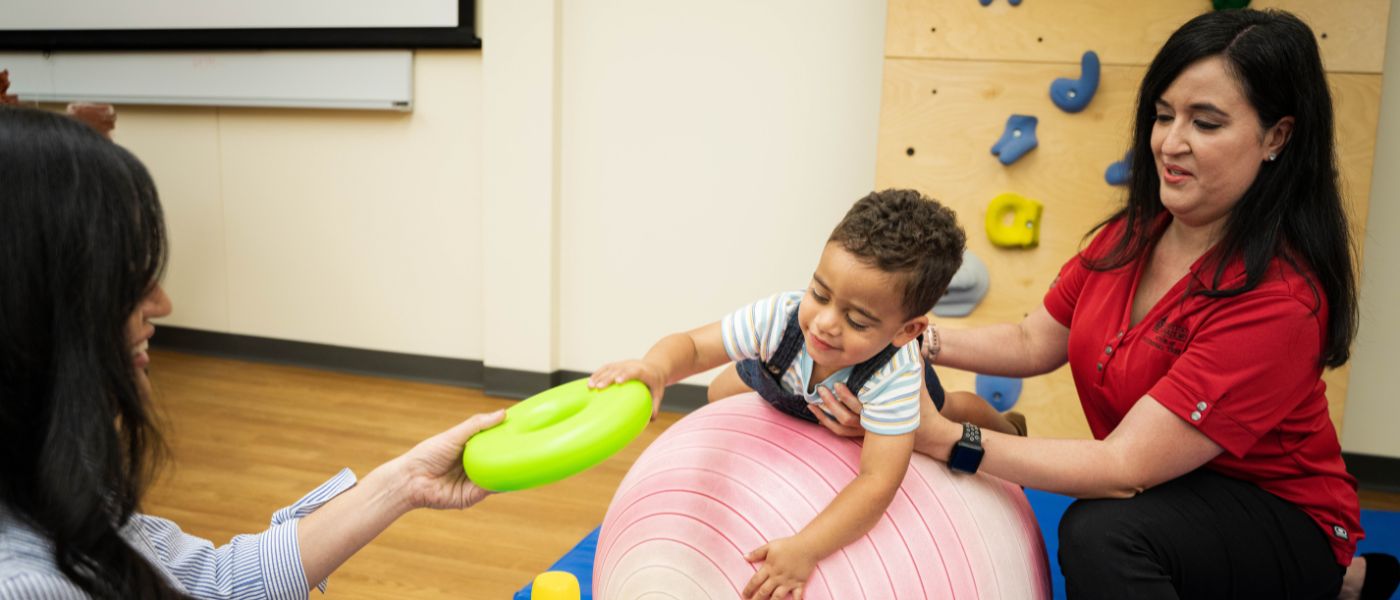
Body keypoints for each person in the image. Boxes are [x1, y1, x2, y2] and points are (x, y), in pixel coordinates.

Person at [807, 9, 1399, 600]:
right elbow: (1032, 341)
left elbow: (1124, 468)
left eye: (1207, 123)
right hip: (1173, 495)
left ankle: (1325, 575)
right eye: (1164, 115)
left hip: (1273, 509)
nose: (1171, 142)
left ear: (1277, 136)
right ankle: (1351, 585)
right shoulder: (1134, 235)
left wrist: (943, 438)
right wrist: (902, 334)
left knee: (1104, 533)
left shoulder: (1280, 299)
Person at [0, 105, 508, 598]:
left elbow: (214, 583)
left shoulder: (48, 481)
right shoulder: (28, 585)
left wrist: (404, 483)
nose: (162, 303)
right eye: (124, 275)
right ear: (31, 301)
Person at [589, 189, 1021, 600]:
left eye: (858, 320)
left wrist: (807, 548)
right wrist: (658, 367)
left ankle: (1010, 427)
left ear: (906, 331)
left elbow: (877, 483)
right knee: (719, 392)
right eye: (820, 293)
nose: (826, 323)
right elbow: (697, 346)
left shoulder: (895, 374)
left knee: (952, 412)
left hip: (866, 401)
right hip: (789, 381)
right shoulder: (781, 317)